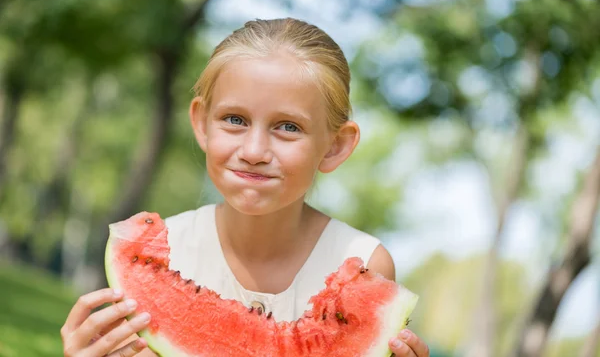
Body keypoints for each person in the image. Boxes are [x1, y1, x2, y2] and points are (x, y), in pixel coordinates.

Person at [60, 18, 430, 357]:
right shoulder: (169, 249)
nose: (254, 152)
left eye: (288, 127)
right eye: (234, 119)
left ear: (334, 146)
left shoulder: (363, 261)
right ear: (202, 124)